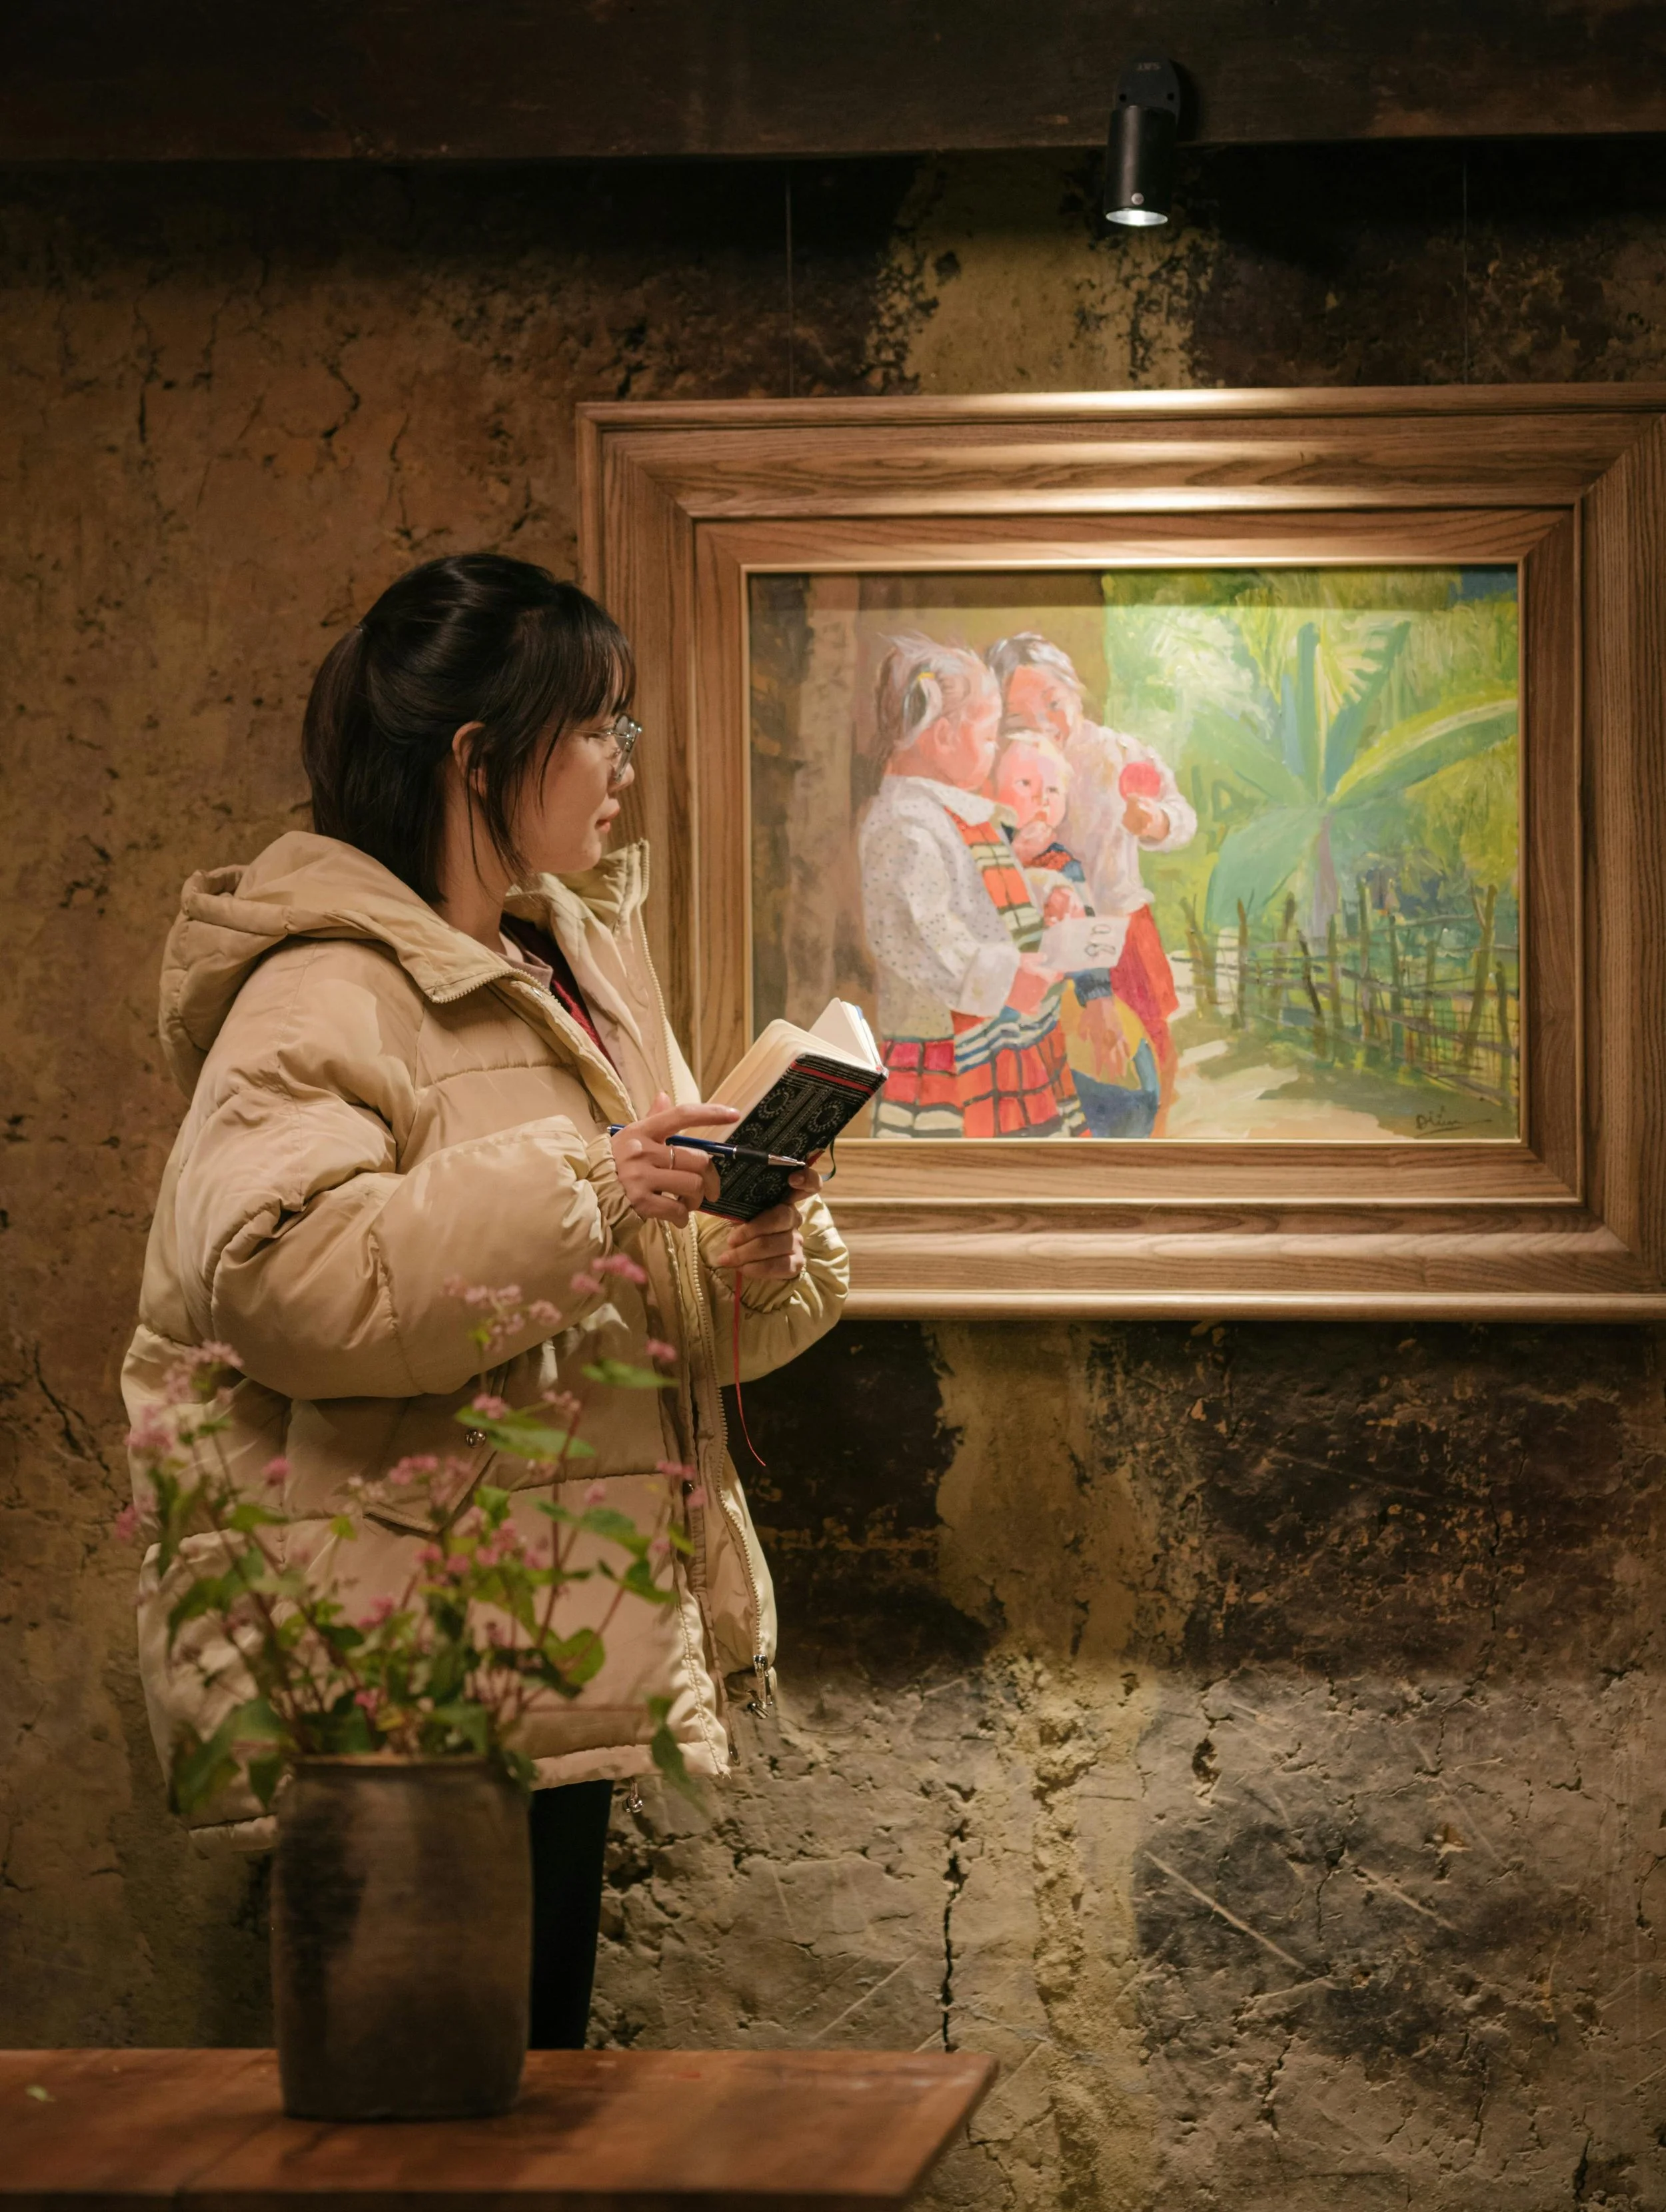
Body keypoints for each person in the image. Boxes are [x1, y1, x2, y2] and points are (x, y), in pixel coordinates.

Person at [122, 552, 848, 2049]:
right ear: (476, 757)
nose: (622, 770)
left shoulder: (571, 960)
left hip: (541, 1629)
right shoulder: (317, 986)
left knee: (519, 2090)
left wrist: (740, 1254)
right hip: (404, 1667)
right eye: (596, 728)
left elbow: (595, 1295)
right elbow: (273, 1278)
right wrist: (591, 1186)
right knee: (420, 2129)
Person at [856, 634, 1084, 1139]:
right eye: (987, 737)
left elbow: (985, 888)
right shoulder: (905, 826)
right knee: (959, 1160)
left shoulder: (952, 812)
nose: (994, 750)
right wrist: (1006, 975)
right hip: (949, 1052)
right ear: (941, 738)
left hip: (997, 1035)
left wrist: (1045, 894)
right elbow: (920, 934)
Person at [986, 634, 1196, 1125]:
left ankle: (1155, 1143)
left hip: (1122, 928)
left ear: (1075, 692)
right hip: (1048, 937)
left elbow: (1181, 814)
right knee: (1067, 1064)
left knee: (1151, 1046)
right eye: (1020, 719)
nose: (1044, 725)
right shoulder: (1005, 763)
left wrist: (1158, 821)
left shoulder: (1118, 752)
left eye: (1054, 705)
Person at [992, 730, 1161, 1139]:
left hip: (1046, 1016)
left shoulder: (1064, 861)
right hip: (995, 1009)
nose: (1041, 798)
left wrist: (1099, 999)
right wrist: (1014, 861)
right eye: (1025, 785)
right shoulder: (986, 850)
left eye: (1053, 789)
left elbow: (1085, 941)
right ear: (993, 791)